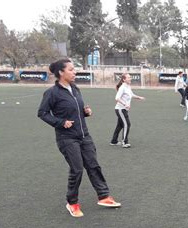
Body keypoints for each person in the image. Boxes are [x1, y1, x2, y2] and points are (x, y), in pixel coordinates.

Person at [38, 59, 121, 218]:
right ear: (61, 73)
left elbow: (75, 110)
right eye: (71, 69)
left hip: (84, 135)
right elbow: (42, 113)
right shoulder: (52, 93)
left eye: (74, 69)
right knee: (77, 169)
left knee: (93, 165)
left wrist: (85, 112)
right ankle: (72, 203)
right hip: (66, 138)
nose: (74, 72)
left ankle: (104, 196)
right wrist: (61, 122)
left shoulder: (75, 88)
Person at [110, 73, 145, 148]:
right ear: (124, 79)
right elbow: (117, 98)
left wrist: (139, 97)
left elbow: (131, 94)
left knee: (119, 125)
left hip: (124, 109)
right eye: (128, 77)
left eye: (130, 77)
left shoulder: (128, 86)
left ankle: (114, 141)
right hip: (120, 109)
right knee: (127, 124)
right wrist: (125, 104)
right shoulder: (122, 87)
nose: (130, 78)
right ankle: (124, 142)